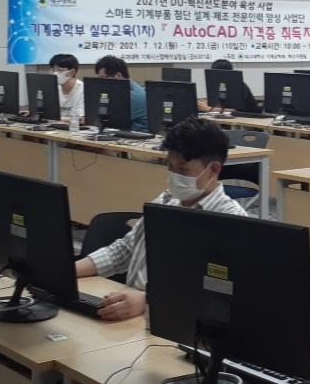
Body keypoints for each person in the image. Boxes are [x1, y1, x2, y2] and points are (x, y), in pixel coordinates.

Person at [75, 116, 244, 320]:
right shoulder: (167, 200)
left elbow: (219, 291)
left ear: (214, 170)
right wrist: (69, 270)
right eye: (170, 166)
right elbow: (124, 250)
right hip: (130, 308)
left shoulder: (231, 220)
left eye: (183, 169)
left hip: (176, 319)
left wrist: (148, 300)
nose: (173, 175)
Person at [94, 56, 149, 131]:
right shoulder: (119, 91)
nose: (101, 83)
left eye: (103, 78)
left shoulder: (132, 96)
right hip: (122, 134)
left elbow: (110, 121)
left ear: (118, 76)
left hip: (138, 136)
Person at [197, 59, 262, 114]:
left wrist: (207, 108)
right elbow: (222, 102)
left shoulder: (238, 86)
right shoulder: (221, 85)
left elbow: (235, 109)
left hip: (248, 117)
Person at [50, 53, 85, 120]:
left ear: (72, 72)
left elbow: (81, 119)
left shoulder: (83, 89)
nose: (55, 73)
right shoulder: (52, 88)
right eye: (53, 70)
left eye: (60, 70)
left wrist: (58, 119)